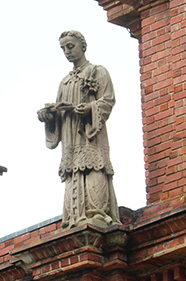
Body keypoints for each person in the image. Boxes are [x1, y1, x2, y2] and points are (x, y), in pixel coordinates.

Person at [37, 30, 120, 229]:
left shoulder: (97, 71)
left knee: (94, 169)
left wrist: (90, 109)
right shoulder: (64, 82)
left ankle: (97, 213)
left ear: (83, 46)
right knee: (73, 173)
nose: (67, 52)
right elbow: (58, 115)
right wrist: (49, 116)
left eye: (71, 46)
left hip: (90, 137)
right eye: (63, 48)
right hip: (70, 140)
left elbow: (108, 101)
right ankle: (74, 218)